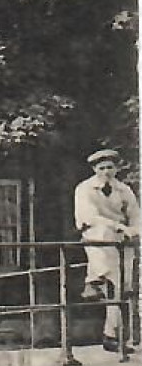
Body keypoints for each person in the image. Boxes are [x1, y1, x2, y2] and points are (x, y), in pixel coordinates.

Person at [74, 148, 138, 351]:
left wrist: (134, 231)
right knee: (101, 235)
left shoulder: (124, 190)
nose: (106, 172)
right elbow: (90, 216)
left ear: (117, 168)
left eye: (110, 167)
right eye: (101, 168)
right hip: (96, 236)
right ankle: (95, 279)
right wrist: (119, 226)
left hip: (120, 241)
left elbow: (136, 215)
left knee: (119, 289)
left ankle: (111, 335)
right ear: (95, 169)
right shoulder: (84, 189)